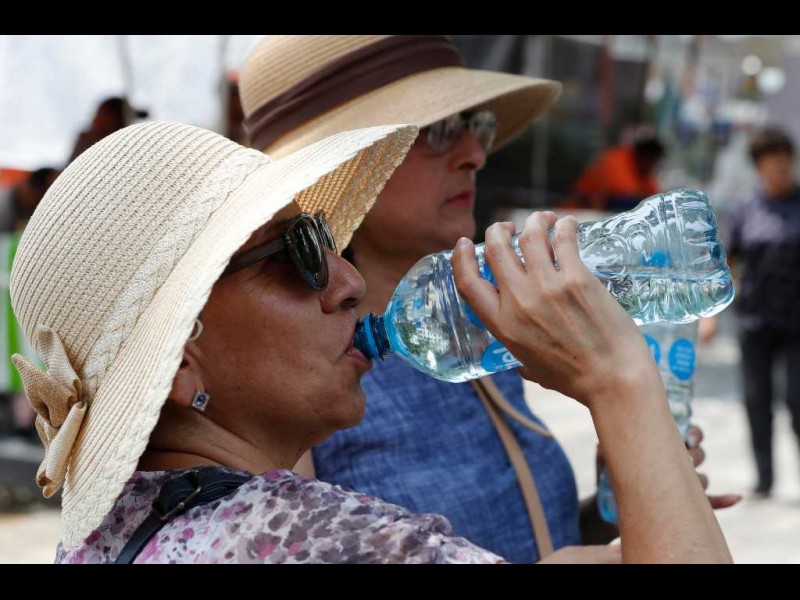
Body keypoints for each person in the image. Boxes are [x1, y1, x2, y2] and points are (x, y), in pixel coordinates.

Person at [10, 121, 731, 563]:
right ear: (178, 361)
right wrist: (618, 380)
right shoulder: (315, 535)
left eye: (327, 238)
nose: (348, 280)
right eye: (297, 253)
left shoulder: (115, 527)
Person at [239, 35, 738, 562]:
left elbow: (510, 537)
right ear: (341, 169)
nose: (474, 155)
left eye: (477, 126)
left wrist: (637, 498)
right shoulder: (309, 376)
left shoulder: (479, 314)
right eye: (438, 131)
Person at [703, 126, 800, 499]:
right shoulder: (746, 209)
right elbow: (725, 264)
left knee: (797, 399)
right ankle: (764, 479)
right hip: (755, 321)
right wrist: (710, 315)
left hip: (797, 322)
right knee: (756, 400)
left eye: (785, 162)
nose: (780, 169)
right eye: (772, 163)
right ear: (759, 167)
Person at [568, 134, 666, 212]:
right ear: (645, 157)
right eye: (652, 162)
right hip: (578, 211)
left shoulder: (641, 170)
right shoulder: (617, 160)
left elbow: (653, 194)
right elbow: (625, 191)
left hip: (597, 213)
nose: (653, 167)